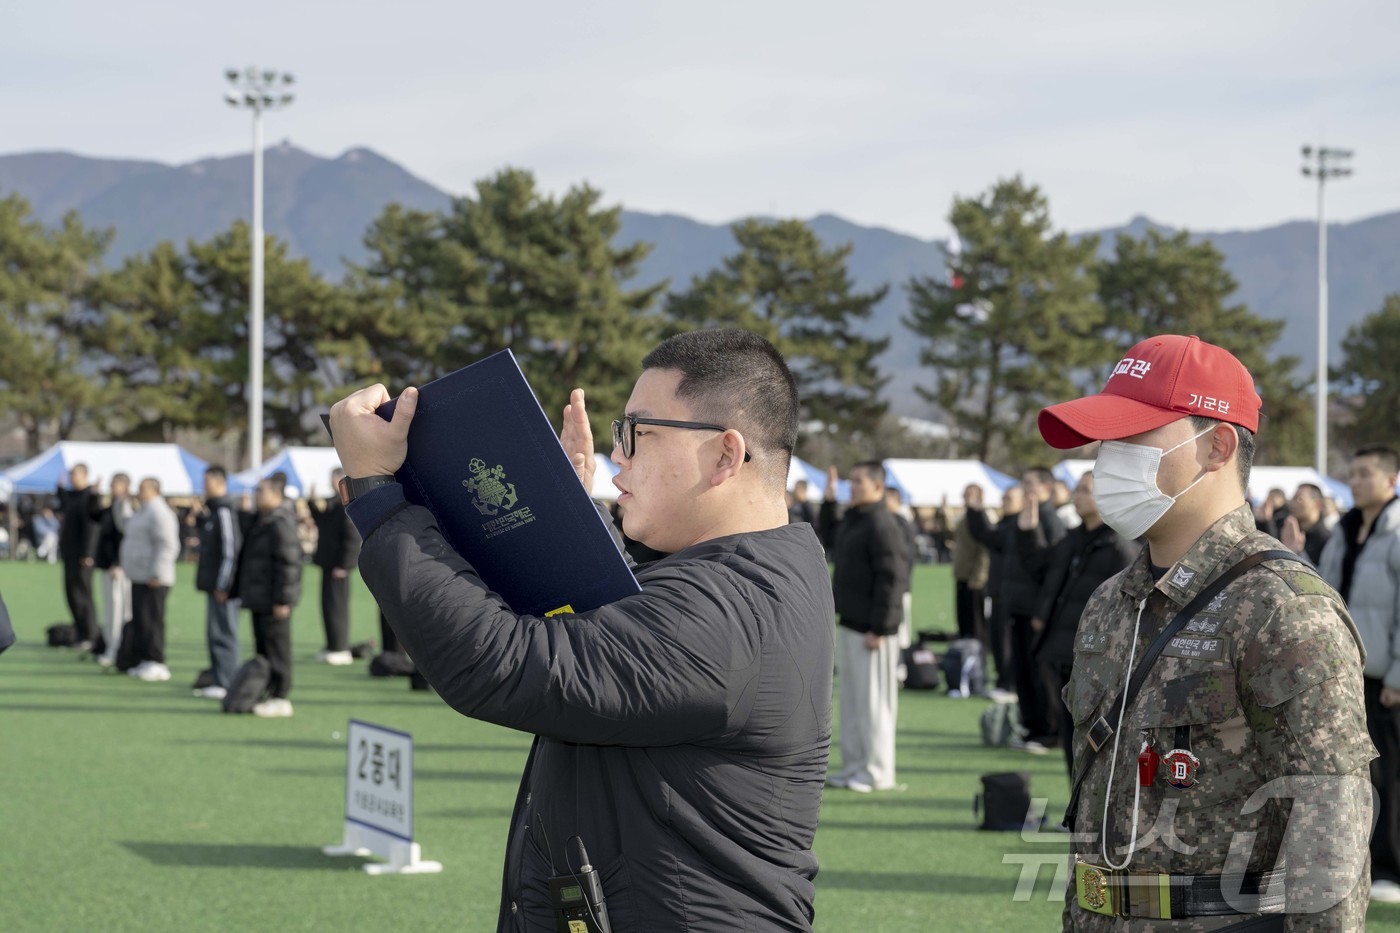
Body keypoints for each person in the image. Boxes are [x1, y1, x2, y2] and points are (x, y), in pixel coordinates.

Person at [329, 328, 833, 931]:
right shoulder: (748, 575)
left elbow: (506, 664)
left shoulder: (729, 610)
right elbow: (616, 618)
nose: (619, 455)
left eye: (639, 433)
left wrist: (377, 495)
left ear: (726, 455)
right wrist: (560, 516)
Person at [1041, 334, 1374, 929]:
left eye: (1133, 437)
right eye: (1106, 442)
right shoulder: (1111, 602)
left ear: (1217, 446)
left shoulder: (1281, 607)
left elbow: (1329, 837)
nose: (1107, 460)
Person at [1317, 446, 1400, 905]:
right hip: (1344, 671)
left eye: (1366, 474)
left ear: (1391, 480)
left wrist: (1397, 677)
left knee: (1388, 773)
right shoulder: (1345, 530)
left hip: (1385, 679)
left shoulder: (1396, 531)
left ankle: (1390, 867)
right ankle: (1362, 857)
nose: (1356, 482)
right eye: (1352, 474)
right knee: (1354, 771)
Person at [1017, 472, 1138, 775]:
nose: (1077, 496)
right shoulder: (1073, 539)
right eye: (1078, 490)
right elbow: (1039, 569)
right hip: (1063, 653)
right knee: (1071, 743)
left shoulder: (1119, 547)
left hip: (1096, 663)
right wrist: (1028, 533)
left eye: (1085, 490)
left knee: (1093, 749)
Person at [819, 461, 911, 793]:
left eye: (859, 481)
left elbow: (893, 579)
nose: (853, 486)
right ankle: (856, 767)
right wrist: (829, 501)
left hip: (873, 631)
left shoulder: (883, 523)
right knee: (853, 702)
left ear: (877, 486)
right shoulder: (855, 519)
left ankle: (876, 772)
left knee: (874, 704)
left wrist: (881, 628)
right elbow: (828, 537)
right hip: (851, 622)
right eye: (851, 480)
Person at [969, 470, 1067, 745]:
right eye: (1023, 484)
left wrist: (1042, 612)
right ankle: (1031, 726)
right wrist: (975, 511)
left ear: (1047, 488)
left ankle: (1048, 731)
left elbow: (1054, 574)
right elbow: (991, 539)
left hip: (1036, 613)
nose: (1025, 489)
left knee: (1040, 675)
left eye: (1030, 484)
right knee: (1023, 673)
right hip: (1017, 607)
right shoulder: (1019, 520)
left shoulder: (1051, 522)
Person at [233, 476, 303, 718]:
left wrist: (284, 600)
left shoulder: (280, 522)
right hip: (260, 598)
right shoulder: (262, 520)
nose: (256, 494)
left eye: (261, 491)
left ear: (276, 494)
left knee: (277, 649)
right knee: (263, 648)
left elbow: (290, 564)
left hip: (274, 601)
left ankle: (280, 696)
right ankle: (266, 691)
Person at [118, 478, 180, 681]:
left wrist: (157, 573)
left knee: (153, 620)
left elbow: (167, 544)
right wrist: (122, 502)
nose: (138, 492)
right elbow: (125, 525)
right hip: (139, 574)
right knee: (141, 619)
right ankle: (144, 659)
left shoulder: (160, 512)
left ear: (155, 490)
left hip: (153, 577)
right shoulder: (142, 511)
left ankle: (156, 661)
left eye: (143, 488)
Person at [194, 466, 242, 699]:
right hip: (214, 585)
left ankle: (227, 682)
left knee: (225, 632)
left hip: (223, 587)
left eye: (208, 482)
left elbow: (231, 550)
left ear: (220, 482)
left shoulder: (224, 510)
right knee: (214, 631)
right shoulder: (213, 511)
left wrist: (224, 584)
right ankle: (217, 677)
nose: (204, 486)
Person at [309, 468, 361, 665]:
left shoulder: (348, 503)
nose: (331, 482)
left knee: (337, 607)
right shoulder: (334, 502)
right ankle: (332, 645)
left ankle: (340, 648)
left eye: (333, 479)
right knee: (328, 607)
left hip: (339, 566)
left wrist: (344, 564)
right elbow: (322, 522)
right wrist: (311, 503)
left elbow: (352, 538)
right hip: (328, 563)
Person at [56, 465, 100, 648]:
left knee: (83, 595)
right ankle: (80, 632)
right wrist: (60, 488)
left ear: (85, 476)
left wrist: (88, 553)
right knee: (72, 595)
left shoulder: (90, 497)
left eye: (75, 474)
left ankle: (90, 635)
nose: (72, 478)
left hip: (82, 555)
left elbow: (92, 527)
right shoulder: (74, 496)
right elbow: (64, 503)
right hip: (70, 553)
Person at [92, 473, 134, 668]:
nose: (111, 488)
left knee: (118, 612)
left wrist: (119, 563)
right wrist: (94, 495)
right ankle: (111, 647)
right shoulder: (113, 507)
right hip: (108, 565)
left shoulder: (127, 508)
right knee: (110, 611)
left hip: (119, 568)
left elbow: (125, 538)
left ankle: (117, 650)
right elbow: (95, 515)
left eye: (115, 484)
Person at [951, 487, 991, 644]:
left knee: (975, 620)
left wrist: (979, 576)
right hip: (962, 572)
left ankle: (976, 648)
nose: (966, 498)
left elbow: (984, 549)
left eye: (970, 495)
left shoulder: (981, 517)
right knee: (963, 617)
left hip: (973, 576)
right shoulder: (965, 516)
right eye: (965, 495)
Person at [1279, 483, 1332, 565]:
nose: (1293, 503)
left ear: (1318, 504)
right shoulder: (1289, 532)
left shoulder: (1327, 540)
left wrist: (1296, 555)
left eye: (1299, 499)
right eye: (1293, 498)